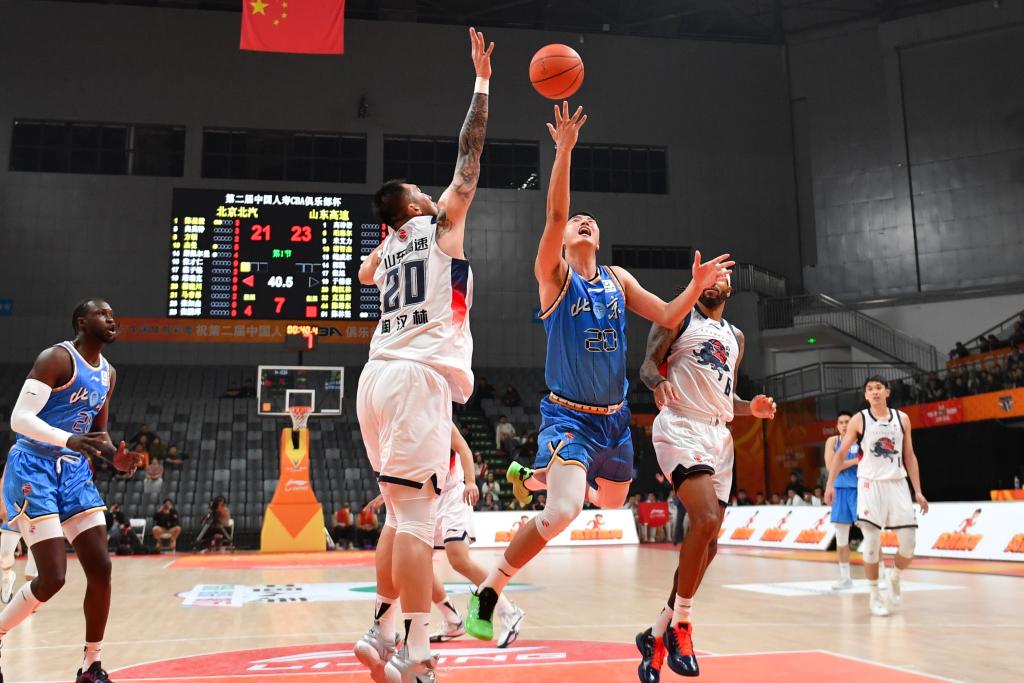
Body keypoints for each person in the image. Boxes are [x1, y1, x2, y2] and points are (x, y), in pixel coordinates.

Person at [466, 100, 732, 644]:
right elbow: (555, 215)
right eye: (576, 221)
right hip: (569, 417)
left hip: (614, 420)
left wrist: (695, 285)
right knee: (563, 511)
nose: (582, 221)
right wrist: (563, 151)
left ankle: (537, 476)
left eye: (592, 221)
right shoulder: (554, 278)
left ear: (599, 239)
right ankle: (489, 590)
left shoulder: (617, 279)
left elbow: (667, 316)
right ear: (564, 241)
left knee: (610, 503)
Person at [352, 26, 493, 683]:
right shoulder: (438, 228)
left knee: (399, 514)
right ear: (414, 204)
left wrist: (386, 239)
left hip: (376, 378)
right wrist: (482, 83)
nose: (435, 196)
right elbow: (469, 157)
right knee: (414, 521)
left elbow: (363, 271)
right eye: (422, 194)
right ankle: (418, 650)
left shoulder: (386, 252)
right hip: (415, 378)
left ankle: (380, 632)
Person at [634, 273, 776, 679]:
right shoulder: (677, 317)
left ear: (730, 289)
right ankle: (681, 625)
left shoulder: (737, 337)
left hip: (719, 436)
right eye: (710, 275)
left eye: (723, 276)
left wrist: (752, 408)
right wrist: (659, 382)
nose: (716, 281)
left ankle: (656, 635)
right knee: (706, 519)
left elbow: (726, 397)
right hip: (680, 424)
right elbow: (647, 366)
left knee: (709, 546)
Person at [0, 298, 139, 683]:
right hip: (33, 466)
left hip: (73, 471)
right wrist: (68, 439)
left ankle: (91, 664)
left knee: (101, 567)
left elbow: (98, 435)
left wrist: (115, 458)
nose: (111, 319)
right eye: (102, 314)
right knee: (53, 578)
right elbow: (19, 419)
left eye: (113, 314)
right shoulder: (57, 359)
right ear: (81, 321)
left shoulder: (108, 374)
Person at [826, 376, 929, 617]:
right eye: (870, 389)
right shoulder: (859, 419)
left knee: (909, 545)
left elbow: (909, 456)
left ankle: (894, 576)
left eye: (878, 388)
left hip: (897, 483)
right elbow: (840, 455)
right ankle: (875, 596)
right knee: (871, 542)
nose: (874, 392)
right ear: (865, 395)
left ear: (887, 392)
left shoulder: (902, 419)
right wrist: (830, 484)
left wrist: (918, 491)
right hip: (869, 484)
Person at [824, 411, 860, 590]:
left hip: (860, 490)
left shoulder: (861, 440)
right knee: (841, 537)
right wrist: (855, 461)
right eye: (841, 422)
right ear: (837, 426)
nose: (845, 425)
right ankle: (845, 578)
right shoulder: (833, 441)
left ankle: (882, 575)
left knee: (871, 533)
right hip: (839, 491)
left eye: (848, 421)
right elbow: (831, 466)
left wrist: (843, 464)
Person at [0, 475, 38, 604]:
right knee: (5, 553)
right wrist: (2, 503)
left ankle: (30, 599)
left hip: (37, 509)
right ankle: (7, 576)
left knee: (33, 566)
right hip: (14, 507)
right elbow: (4, 478)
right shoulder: (13, 461)